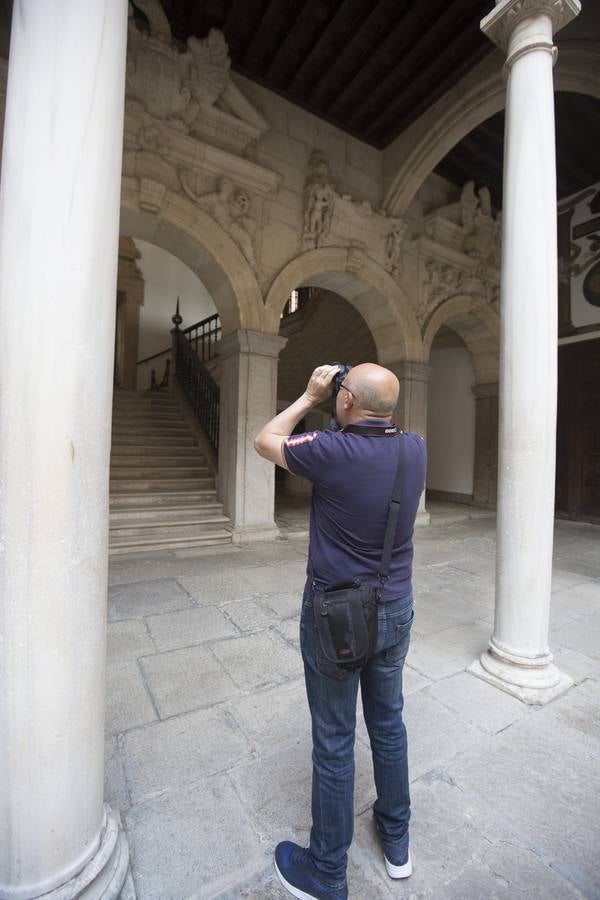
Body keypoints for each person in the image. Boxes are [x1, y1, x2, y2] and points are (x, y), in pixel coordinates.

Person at [254, 363, 427, 900]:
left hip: (339, 613)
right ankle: (396, 842)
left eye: (340, 393)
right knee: (389, 722)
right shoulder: (414, 448)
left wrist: (309, 396)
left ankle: (327, 871)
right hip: (395, 606)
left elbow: (266, 439)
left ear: (346, 401)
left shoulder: (331, 452)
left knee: (334, 740)